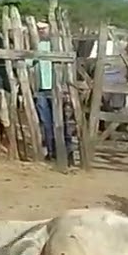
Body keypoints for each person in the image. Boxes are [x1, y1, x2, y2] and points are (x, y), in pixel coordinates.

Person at [33, 21, 73, 162]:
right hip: (41, 88)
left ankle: (67, 151)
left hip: (57, 88)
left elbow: (68, 67)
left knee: (62, 120)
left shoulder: (60, 44)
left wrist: (67, 87)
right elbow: (27, 61)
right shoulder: (36, 45)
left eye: (44, 28)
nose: (41, 31)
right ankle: (51, 151)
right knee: (46, 122)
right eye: (39, 29)